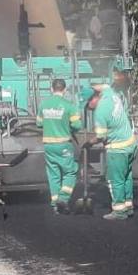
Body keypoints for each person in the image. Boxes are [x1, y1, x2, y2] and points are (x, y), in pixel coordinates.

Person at [86, 81, 136, 220]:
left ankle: (119, 211)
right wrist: (96, 85)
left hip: (117, 149)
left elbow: (101, 136)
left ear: (93, 98)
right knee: (126, 177)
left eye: (88, 105)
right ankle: (128, 206)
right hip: (130, 144)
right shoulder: (111, 95)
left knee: (115, 180)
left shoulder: (100, 110)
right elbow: (106, 86)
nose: (89, 109)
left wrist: (88, 143)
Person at [37, 79, 83, 213]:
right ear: (65, 90)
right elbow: (77, 125)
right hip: (63, 145)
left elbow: (39, 124)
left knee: (53, 174)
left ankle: (55, 205)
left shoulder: (43, 104)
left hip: (48, 146)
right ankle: (63, 198)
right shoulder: (69, 105)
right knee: (71, 171)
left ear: (51, 89)